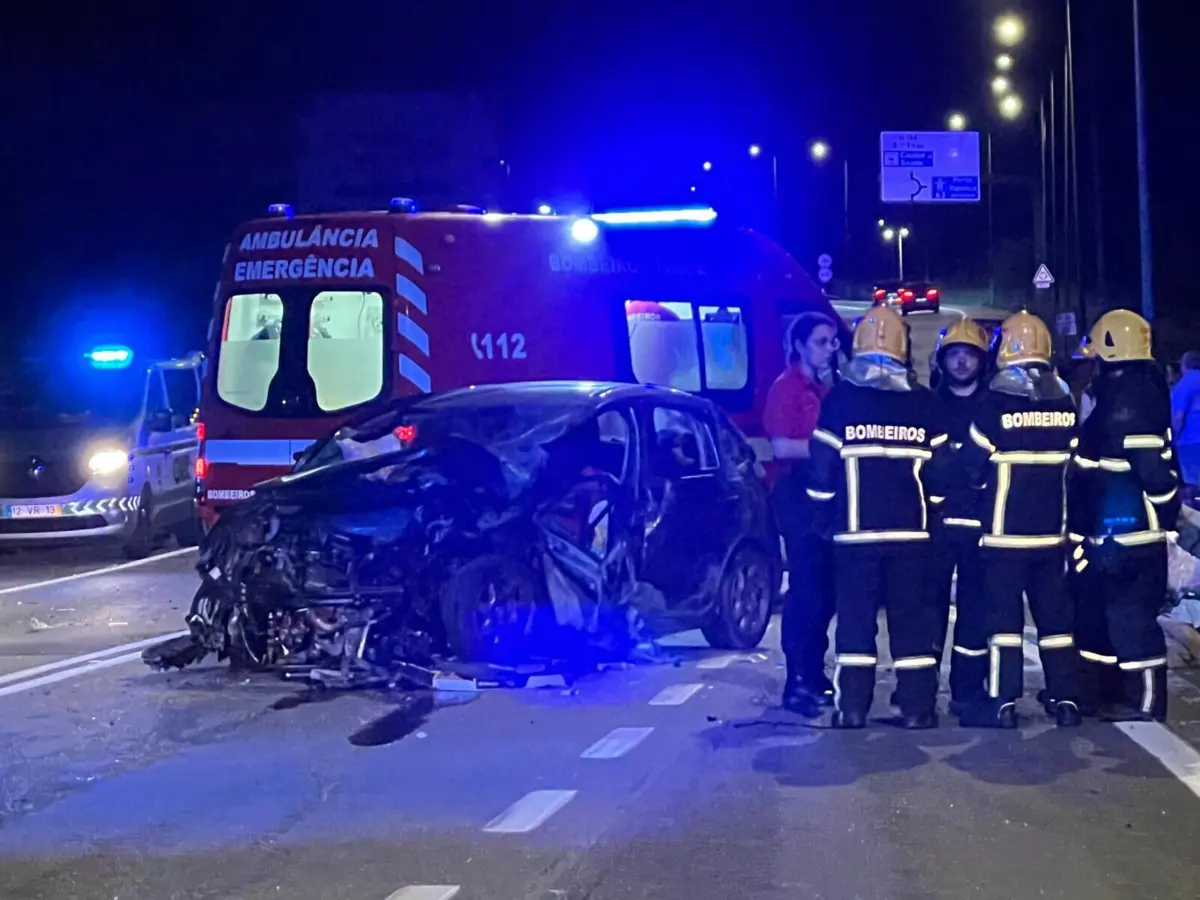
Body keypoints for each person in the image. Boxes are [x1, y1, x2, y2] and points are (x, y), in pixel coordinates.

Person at [806, 306, 950, 729]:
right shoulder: (924, 403)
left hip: (856, 536)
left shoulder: (841, 400)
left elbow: (820, 469)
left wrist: (820, 513)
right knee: (912, 621)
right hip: (912, 535)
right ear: (903, 348)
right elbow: (942, 474)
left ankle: (852, 707)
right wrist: (935, 511)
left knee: (855, 621)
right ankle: (917, 708)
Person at [956, 310, 1082, 729]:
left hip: (1004, 538)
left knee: (1005, 626)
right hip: (1052, 536)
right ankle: (1066, 700)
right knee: (1056, 623)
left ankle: (1002, 703)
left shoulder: (996, 403)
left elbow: (971, 467)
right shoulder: (1065, 402)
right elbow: (1074, 462)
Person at [1069, 309, 1180, 721]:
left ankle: (1147, 703)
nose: (1090, 365)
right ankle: (1101, 693)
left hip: (1131, 538)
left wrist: (1165, 513)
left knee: (1133, 622)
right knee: (1102, 617)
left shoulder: (1129, 404)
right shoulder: (1128, 396)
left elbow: (1152, 472)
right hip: (1111, 535)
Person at [764, 312, 841, 716]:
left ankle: (814, 674)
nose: (830, 348)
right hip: (797, 499)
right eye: (821, 341)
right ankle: (798, 681)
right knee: (807, 593)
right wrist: (831, 450)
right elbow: (782, 447)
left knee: (826, 593)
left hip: (825, 501)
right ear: (799, 345)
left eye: (832, 341)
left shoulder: (828, 389)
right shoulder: (787, 389)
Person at [927, 318, 991, 713]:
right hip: (935, 523)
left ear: (981, 361)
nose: (963, 362)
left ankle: (968, 689)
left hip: (982, 521)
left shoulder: (993, 404)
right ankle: (921, 688)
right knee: (927, 606)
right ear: (942, 360)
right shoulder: (928, 405)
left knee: (977, 609)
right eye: (955, 354)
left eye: (969, 355)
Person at [1170, 350, 1200, 486]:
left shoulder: (1184, 384)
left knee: (1194, 485)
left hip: (1190, 442)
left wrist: (1173, 437)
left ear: (1184, 365)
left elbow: (1178, 416)